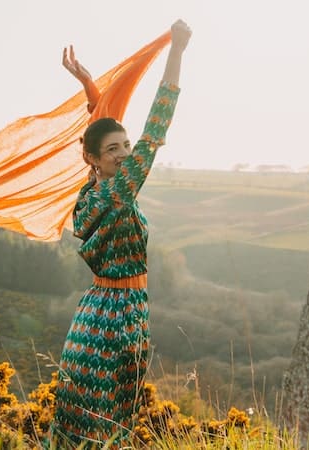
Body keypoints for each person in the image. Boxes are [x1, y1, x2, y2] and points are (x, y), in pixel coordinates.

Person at [51, 19, 192, 448]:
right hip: (119, 316)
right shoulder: (118, 192)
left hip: (95, 311)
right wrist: (177, 52)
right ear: (94, 160)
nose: (125, 154)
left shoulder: (91, 191)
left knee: (85, 413)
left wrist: (90, 86)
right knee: (111, 414)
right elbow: (156, 128)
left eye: (125, 146)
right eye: (114, 150)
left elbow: (100, 128)